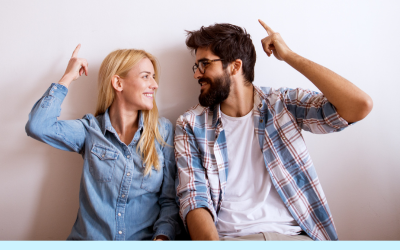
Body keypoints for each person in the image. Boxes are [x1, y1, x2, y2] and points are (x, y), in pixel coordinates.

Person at [174, 20, 373, 241]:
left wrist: (289, 56)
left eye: (204, 64)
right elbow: (194, 197)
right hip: (232, 240)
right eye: (196, 66)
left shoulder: (282, 104)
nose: (196, 74)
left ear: (235, 66)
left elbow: (359, 106)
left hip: (294, 237)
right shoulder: (191, 124)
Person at [25, 45, 180, 240]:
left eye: (154, 77)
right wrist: (68, 77)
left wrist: (162, 237)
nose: (155, 85)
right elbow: (38, 126)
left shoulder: (163, 131)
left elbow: (170, 201)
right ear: (118, 83)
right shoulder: (90, 129)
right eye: (146, 76)